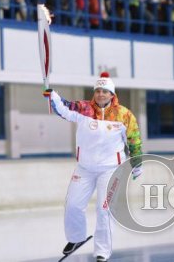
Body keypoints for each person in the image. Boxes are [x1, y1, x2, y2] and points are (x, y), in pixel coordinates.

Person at [43, 72, 143, 262]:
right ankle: (76, 238)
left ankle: (102, 252)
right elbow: (64, 108)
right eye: (98, 91)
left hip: (111, 169)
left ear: (112, 94)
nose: (100, 94)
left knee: (104, 210)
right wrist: (53, 96)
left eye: (105, 91)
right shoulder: (84, 109)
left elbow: (134, 140)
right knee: (72, 205)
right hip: (85, 168)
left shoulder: (124, 115)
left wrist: (137, 163)